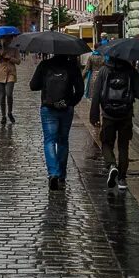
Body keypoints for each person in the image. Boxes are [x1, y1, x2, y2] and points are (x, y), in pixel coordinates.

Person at [29, 52, 85, 191]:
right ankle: (61, 174)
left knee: (49, 141)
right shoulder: (72, 66)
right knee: (63, 141)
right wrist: (70, 103)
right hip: (66, 109)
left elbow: (33, 85)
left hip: (48, 108)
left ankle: (53, 173)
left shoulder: (45, 65)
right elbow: (80, 90)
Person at [89, 57, 139, 190]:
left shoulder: (104, 70)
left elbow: (96, 94)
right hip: (125, 115)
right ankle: (122, 179)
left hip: (108, 115)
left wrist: (94, 116)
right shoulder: (131, 71)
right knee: (123, 146)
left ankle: (111, 165)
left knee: (106, 143)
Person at [0, 42, 20, 124]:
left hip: (11, 73)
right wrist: (0, 55)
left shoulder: (15, 48)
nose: (6, 40)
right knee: (2, 96)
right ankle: (3, 116)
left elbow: (18, 61)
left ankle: (9, 112)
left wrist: (10, 58)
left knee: (9, 94)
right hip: (0, 73)